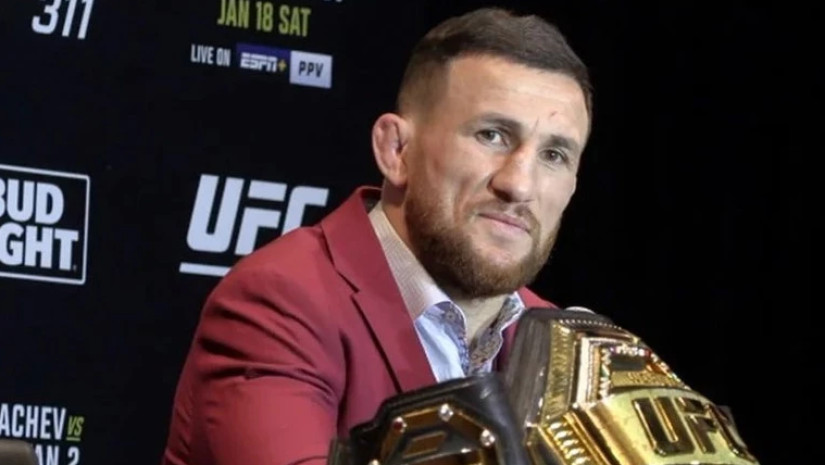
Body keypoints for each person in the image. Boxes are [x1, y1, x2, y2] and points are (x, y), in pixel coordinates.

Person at [160, 6, 592, 465]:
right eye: (492, 135)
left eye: (554, 155)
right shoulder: (278, 303)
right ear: (396, 150)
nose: (519, 185)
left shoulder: (568, 345)